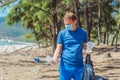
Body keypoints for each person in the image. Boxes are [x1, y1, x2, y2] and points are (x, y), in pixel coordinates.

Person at [52, 12, 88, 80]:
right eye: (65, 24)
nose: (67, 26)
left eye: (68, 24)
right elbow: (58, 48)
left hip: (79, 66)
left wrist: (88, 50)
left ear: (74, 22)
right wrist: (55, 58)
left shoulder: (83, 33)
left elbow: (86, 46)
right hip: (65, 66)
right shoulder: (62, 34)